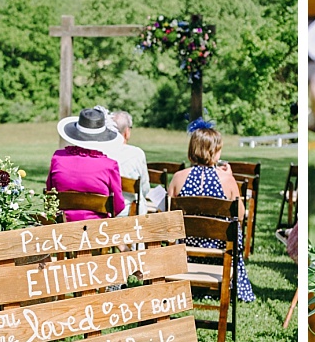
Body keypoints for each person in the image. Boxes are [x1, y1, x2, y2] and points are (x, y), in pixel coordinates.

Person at [169, 123, 255, 302]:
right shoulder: (227, 179)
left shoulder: (178, 177)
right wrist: (230, 176)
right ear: (214, 152)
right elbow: (240, 215)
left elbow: (168, 214)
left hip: (188, 248)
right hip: (219, 248)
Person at [47, 106, 126, 222]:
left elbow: (49, 195)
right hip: (98, 233)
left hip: (62, 230)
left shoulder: (58, 158)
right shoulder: (109, 165)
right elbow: (118, 206)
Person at [95, 110, 154, 214]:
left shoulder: (99, 153)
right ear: (127, 132)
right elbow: (144, 189)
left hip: (104, 212)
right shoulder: (137, 154)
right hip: (130, 214)